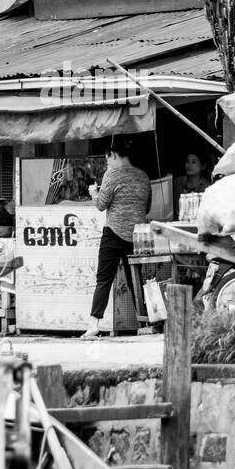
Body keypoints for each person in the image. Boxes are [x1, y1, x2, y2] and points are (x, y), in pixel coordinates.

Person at [82, 135, 151, 339]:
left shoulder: (111, 175)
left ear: (112, 154)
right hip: (137, 236)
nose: (107, 163)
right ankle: (147, 321)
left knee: (104, 280)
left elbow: (101, 205)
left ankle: (94, 325)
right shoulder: (143, 177)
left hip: (112, 233)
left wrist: (94, 192)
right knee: (136, 281)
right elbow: (146, 208)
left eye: (107, 159)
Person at [173, 152, 213, 220]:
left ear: (203, 166)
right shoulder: (178, 183)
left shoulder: (208, 187)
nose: (189, 165)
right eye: (187, 161)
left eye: (193, 162)